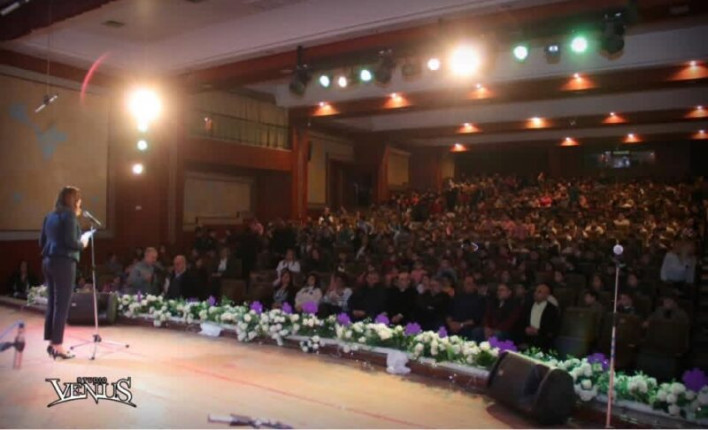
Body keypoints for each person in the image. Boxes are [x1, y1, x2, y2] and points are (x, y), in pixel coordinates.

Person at [40, 186, 90, 360]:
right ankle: (58, 346)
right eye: (79, 198)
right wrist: (83, 243)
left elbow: (42, 241)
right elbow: (70, 242)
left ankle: (52, 343)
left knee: (53, 303)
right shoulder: (69, 215)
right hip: (64, 262)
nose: (80, 202)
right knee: (62, 305)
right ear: (73, 200)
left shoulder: (49, 216)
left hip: (48, 261)